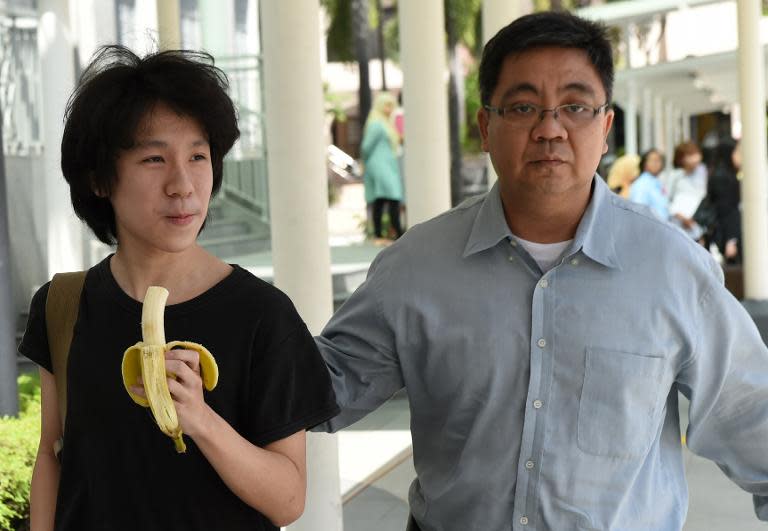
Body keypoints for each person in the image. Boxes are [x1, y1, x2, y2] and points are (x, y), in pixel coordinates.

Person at [314, 11, 768, 531]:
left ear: (605, 126)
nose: (550, 129)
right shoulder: (417, 266)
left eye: (574, 106)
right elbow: (326, 387)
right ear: (487, 127)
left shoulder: (671, 269)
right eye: (524, 106)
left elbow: (752, 419)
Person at [19, 45, 338, 531]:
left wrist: (200, 419)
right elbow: (52, 454)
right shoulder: (62, 305)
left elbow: (289, 499)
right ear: (100, 178)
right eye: (154, 158)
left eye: (198, 156)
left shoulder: (261, 315)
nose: (183, 185)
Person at [361, 92, 405, 243]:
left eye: (391, 106)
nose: (389, 109)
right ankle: (395, 233)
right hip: (379, 165)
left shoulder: (386, 123)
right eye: (387, 105)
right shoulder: (377, 125)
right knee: (391, 197)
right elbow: (366, 147)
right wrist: (365, 163)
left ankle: (384, 233)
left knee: (383, 199)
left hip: (386, 164)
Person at [706, 140, 742, 264]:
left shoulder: (724, 174)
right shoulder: (723, 177)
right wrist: (731, 239)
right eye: (738, 152)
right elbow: (726, 210)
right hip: (727, 235)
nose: (741, 156)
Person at [666, 141, 708, 240]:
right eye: (690, 155)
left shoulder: (702, 172)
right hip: (680, 223)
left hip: (698, 222)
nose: (695, 158)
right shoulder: (675, 175)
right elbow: (668, 199)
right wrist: (681, 217)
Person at [628, 148, 669, 220]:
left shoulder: (656, 182)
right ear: (645, 164)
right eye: (654, 160)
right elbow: (639, 213)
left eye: (660, 160)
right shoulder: (641, 185)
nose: (658, 163)